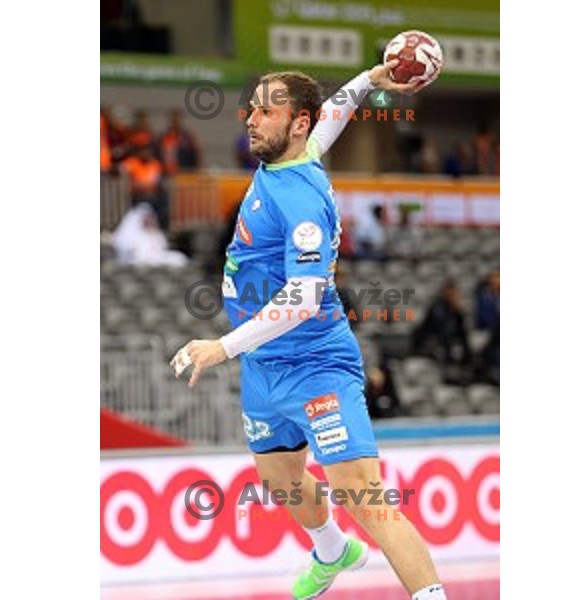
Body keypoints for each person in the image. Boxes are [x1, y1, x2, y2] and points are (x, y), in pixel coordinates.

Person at [171, 63, 446, 600]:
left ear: (295, 123)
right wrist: (369, 78)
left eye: (265, 111)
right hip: (266, 364)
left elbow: (303, 298)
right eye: (251, 107)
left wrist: (221, 348)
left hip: (314, 362)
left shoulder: (300, 200)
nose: (250, 119)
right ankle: (331, 552)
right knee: (279, 478)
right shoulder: (293, 156)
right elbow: (331, 119)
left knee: (364, 498)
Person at [112, 203, 187, 266]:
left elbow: (162, 246)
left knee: (179, 258)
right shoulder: (134, 235)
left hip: (157, 257)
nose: (150, 221)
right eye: (147, 218)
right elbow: (131, 251)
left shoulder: (155, 232)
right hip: (141, 260)